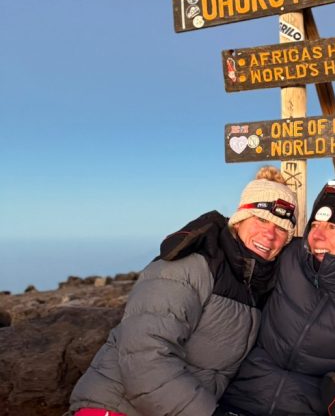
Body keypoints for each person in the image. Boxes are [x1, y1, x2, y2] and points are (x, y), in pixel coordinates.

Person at [69, 166, 297, 416]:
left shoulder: (254, 283)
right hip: (115, 406)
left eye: (281, 228)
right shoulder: (189, 266)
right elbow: (145, 357)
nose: (270, 234)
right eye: (261, 219)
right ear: (240, 219)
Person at [221, 179, 335, 416]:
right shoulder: (289, 257)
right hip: (237, 397)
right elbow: (240, 249)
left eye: (333, 228)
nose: (317, 237)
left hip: (306, 408)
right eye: (315, 225)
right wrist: (209, 230)